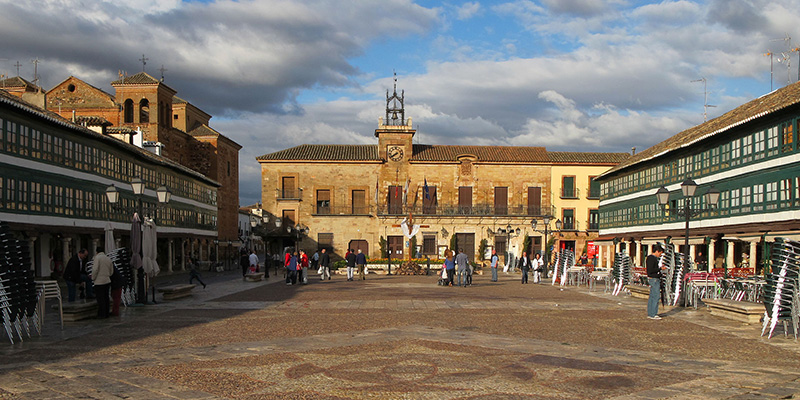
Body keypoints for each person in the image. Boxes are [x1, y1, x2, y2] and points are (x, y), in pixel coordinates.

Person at [91, 247, 113, 319]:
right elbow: (111, 271)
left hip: (99, 281)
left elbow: (95, 269)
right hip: (107, 280)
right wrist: (108, 275)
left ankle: (102, 314)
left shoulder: (97, 258)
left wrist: (93, 278)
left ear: (97, 252)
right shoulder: (108, 258)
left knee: (100, 298)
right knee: (106, 297)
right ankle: (107, 313)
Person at [646, 244, 666, 320]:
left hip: (652, 279)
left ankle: (650, 313)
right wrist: (660, 269)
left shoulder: (649, 258)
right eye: (660, 253)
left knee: (652, 296)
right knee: (656, 296)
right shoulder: (652, 258)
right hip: (654, 279)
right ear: (657, 251)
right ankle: (653, 313)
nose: (660, 255)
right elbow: (651, 270)